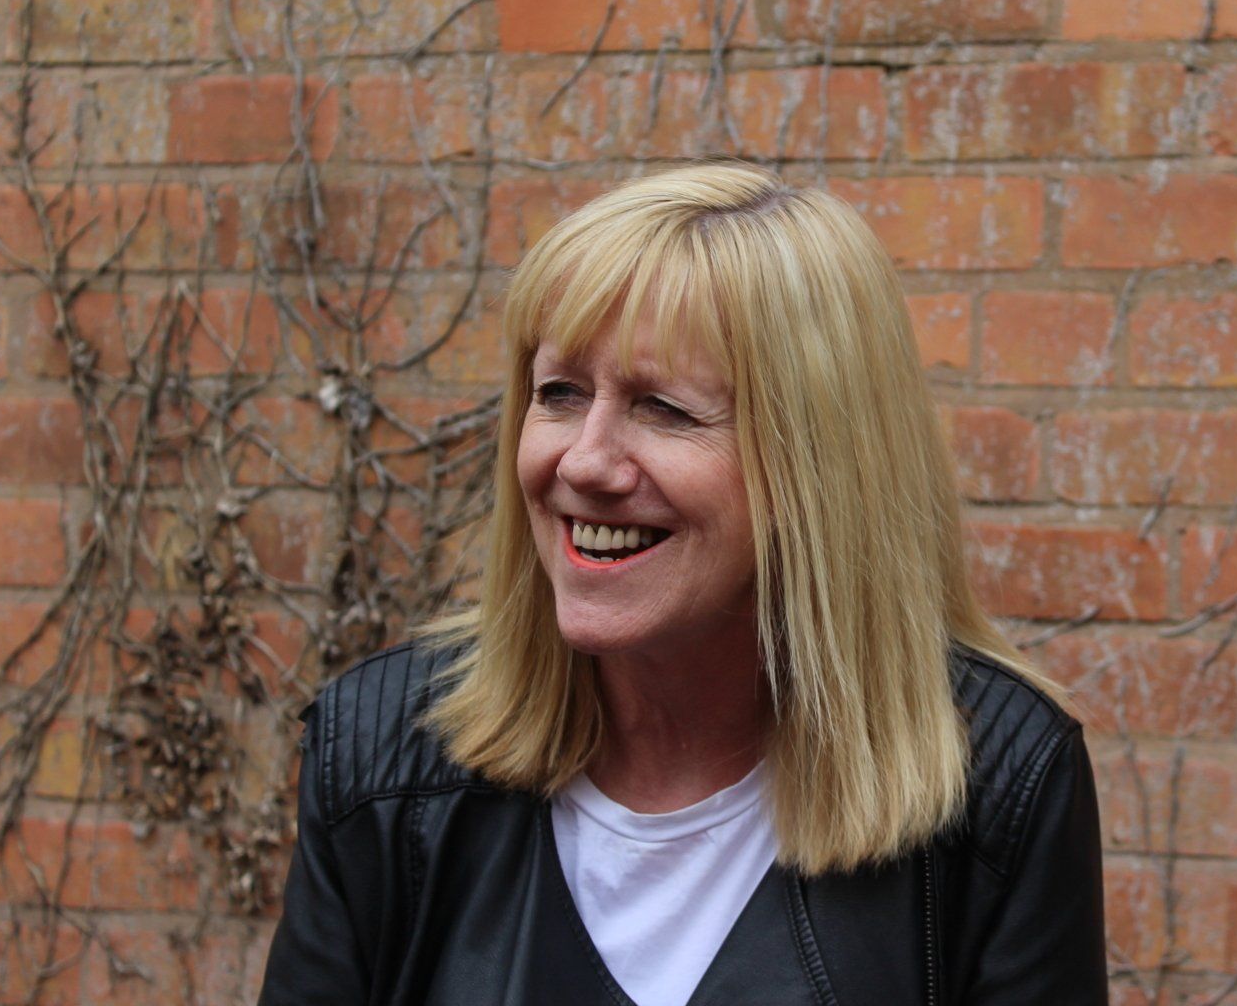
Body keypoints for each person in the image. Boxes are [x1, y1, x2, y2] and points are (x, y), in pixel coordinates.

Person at [257, 163, 1107, 1004]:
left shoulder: (996, 788)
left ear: (818, 465)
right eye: (559, 393)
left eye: (663, 408)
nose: (583, 461)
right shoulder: (380, 765)